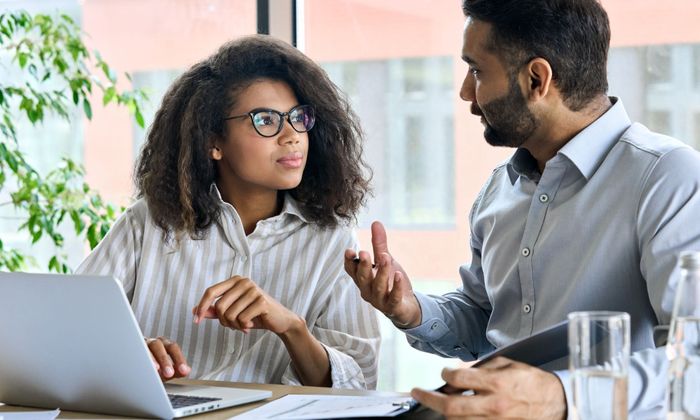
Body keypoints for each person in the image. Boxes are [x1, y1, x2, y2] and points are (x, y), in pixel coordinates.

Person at [344, 0, 700, 417]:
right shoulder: (499, 189)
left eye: (477, 71)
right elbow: (483, 320)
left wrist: (558, 396)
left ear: (536, 78)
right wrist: (410, 309)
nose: (464, 93)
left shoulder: (667, 178)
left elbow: (691, 360)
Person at [77, 35, 380, 389]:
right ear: (213, 142)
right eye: (266, 120)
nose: (292, 135)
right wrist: (129, 352)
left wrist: (292, 328)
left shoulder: (332, 240)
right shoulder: (148, 224)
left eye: (299, 118)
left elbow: (359, 385)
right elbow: (67, 328)